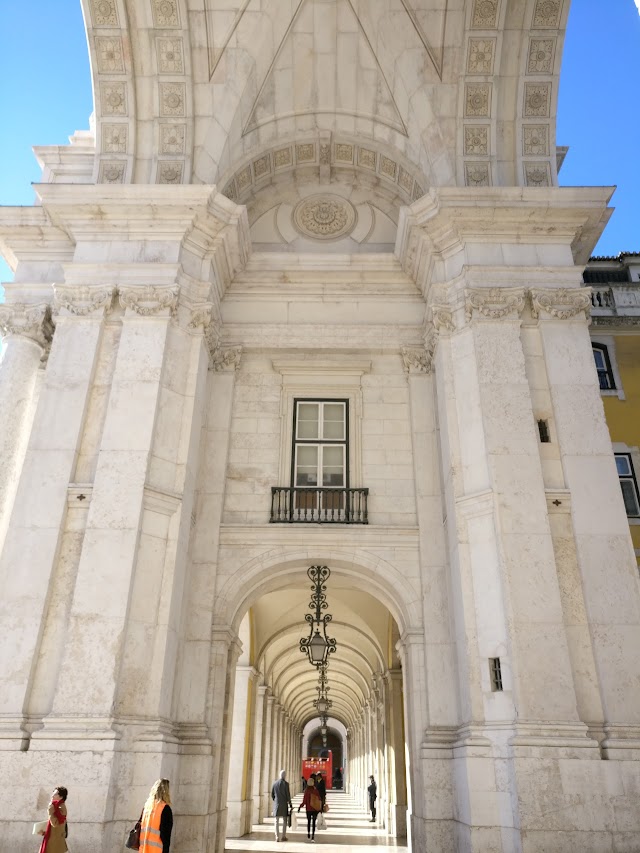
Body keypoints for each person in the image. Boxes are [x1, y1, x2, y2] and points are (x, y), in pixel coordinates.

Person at [140, 779, 173, 853]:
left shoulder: (146, 808)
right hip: (157, 850)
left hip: (144, 849)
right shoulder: (165, 809)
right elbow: (165, 834)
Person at [38, 786, 68, 853]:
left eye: (55, 794)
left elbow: (55, 823)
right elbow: (55, 828)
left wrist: (50, 809)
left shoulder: (61, 807)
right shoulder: (56, 806)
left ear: (61, 797)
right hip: (52, 842)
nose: (52, 795)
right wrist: (44, 833)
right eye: (53, 793)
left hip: (55, 845)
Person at [298, 775, 322, 842]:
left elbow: (304, 801)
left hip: (308, 809)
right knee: (313, 822)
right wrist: (320, 809)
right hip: (314, 809)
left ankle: (308, 833)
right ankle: (313, 836)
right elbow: (319, 799)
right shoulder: (316, 791)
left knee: (308, 822)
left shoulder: (306, 791)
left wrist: (300, 806)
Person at [271, 769, 292, 842]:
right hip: (284, 804)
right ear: (285, 776)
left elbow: (272, 794)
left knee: (276, 821)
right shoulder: (286, 784)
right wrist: (290, 804)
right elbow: (288, 796)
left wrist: (276, 800)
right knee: (284, 820)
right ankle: (283, 836)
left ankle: (276, 836)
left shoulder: (275, 783)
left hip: (277, 804)